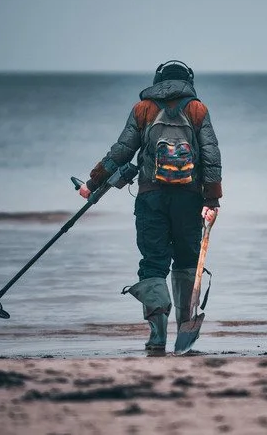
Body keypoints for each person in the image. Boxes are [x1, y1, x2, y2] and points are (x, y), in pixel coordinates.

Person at [78, 60, 222, 353]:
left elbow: (122, 151)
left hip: (150, 197)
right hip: (189, 198)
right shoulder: (198, 109)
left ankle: (157, 336)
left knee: (153, 262)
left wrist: (92, 182)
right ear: (189, 82)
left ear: (157, 81)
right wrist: (212, 199)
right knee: (187, 261)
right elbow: (211, 156)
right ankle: (185, 328)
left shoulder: (142, 109)